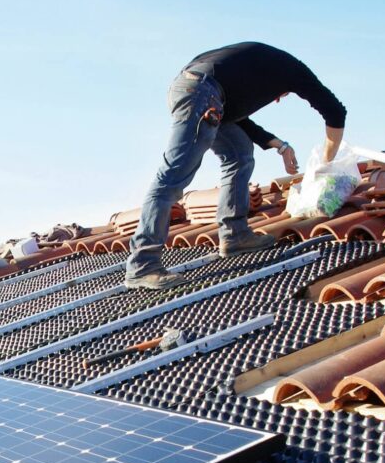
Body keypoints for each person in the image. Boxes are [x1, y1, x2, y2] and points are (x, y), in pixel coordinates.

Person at [125, 41, 346, 290]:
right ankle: (143, 264)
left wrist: (280, 146)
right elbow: (335, 111)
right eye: (281, 96)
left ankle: (234, 235)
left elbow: (231, 117)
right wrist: (326, 163)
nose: (278, 100)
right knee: (173, 175)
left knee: (239, 153)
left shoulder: (251, 69)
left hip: (194, 89)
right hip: (199, 91)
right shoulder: (293, 70)